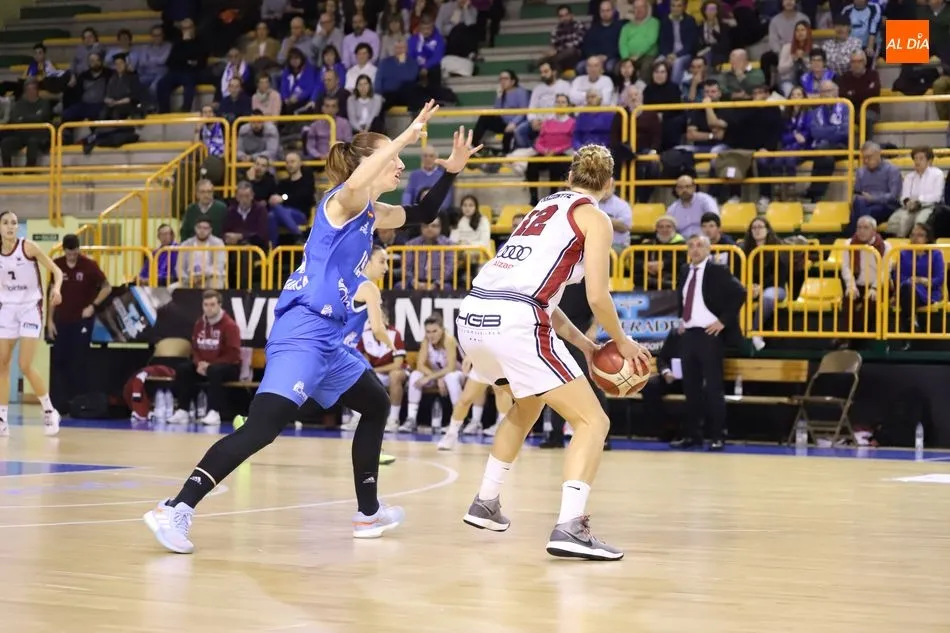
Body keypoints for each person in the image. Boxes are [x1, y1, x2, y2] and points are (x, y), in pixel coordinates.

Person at [144, 101, 483, 554]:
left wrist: (451, 171)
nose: (401, 164)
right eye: (393, 157)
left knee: (376, 404)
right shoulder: (341, 201)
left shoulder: (373, 213)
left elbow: (423, 213)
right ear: (368, 162)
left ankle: (368, 513)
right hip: (303, 331)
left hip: (329, 340)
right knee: (262, 429)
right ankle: (175, 508)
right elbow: (358, 183)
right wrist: (407, 134)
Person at [455, 144, 652, 561]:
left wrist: (586, 345)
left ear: (569, 177)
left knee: (526, 404)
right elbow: (597, 296)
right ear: (609, 185)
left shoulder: (542, 208)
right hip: (514, 319)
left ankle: (486, 502)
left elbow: (543, 298)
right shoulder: (595, 217)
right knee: (593, 421)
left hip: (473, 314)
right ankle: (571, 528)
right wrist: (622, 341)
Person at [0, 211, 64, 436]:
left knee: (25, 364)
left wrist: (57, 289)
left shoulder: (28, 247)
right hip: (7, 309)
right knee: (2, 365)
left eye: (14, 223)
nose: (10, 226)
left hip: (30, 308)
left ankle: (49, 411)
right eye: (5, 223)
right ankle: (2, 419)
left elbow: (57, 271)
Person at [339, 245, 398, 465]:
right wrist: (391, 346)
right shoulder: (367, 288)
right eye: (382, 261)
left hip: (347, 350)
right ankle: (252, 420)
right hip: (337, 352)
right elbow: (378, 329)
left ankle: (374, 450)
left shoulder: (347, 281)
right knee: (301, 402)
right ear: (367, 262)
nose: (387, 267)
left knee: (378, 399)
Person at [398, 313, 463, 432]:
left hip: (458, 374)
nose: (431, 335)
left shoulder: (449, 340)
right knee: (415, 376)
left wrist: (431, 377)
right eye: (428, 332)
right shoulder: (426, 341)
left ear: (442, 330)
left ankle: (458, 421)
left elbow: (451, 368)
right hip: (439, 375)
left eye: (434, 331)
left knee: (451, 377)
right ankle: (411, 419)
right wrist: (437, 378)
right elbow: (420, 365)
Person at [435, 355, 512, 451]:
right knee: (465, 400)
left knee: (501, 391)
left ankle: (506, 437)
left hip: (503, 358)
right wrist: (470, 356)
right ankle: (451, 434)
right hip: (484, 360)